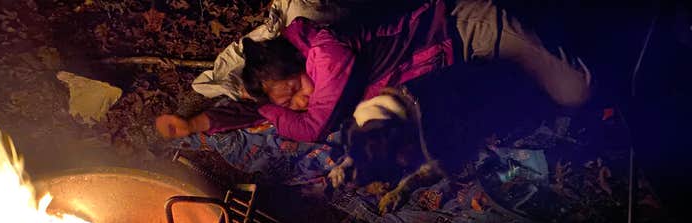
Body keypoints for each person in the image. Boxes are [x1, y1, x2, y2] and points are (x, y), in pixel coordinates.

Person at [156, 0, 591, 143]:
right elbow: (259, 112)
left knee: (577, 91)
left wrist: (275, 113)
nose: (303, 101)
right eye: (289, 101)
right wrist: (195, 121)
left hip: (467, 30)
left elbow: (311, 127)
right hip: (453, 68)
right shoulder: (301, 76)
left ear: (298, 63)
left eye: (294, 89)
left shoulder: (327, 54)